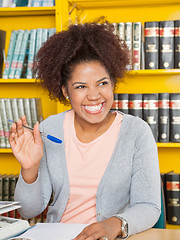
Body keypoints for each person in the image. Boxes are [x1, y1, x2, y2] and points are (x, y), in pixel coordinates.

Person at [9, 20, 161, 240]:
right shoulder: (49, 129)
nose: (94, 95)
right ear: (65, 91)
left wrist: (115, 225)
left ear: (113, 84)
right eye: (81, 86)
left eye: (102, 83)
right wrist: (29, 169)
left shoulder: (136, 132)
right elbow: (28, 211)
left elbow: (148, 206)